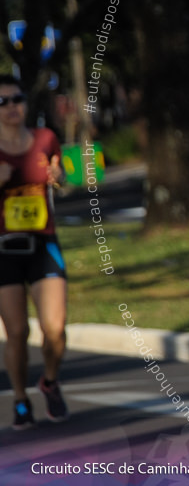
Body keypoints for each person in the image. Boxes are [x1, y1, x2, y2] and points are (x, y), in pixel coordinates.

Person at [0, 75, 69, 429]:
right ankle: (20, 398)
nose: (12, 107)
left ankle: (50, 381)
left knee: (55, 329)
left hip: (43, 243)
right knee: (17, 333)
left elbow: (62, 179)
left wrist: (59, 175)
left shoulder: (45, 139)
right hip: (4, 250)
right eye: (4, 102)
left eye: (17, 99)